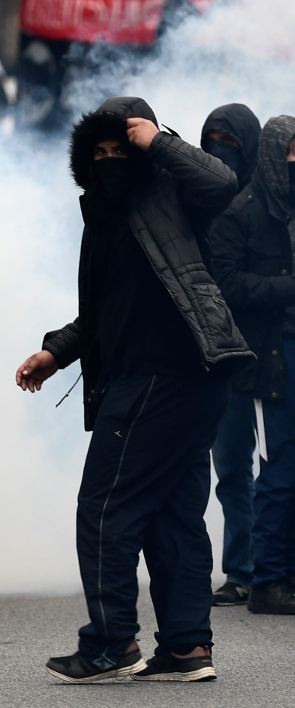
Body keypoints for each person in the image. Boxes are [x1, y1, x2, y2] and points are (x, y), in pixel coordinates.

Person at [16, 97, 249, 683]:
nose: (109, 160)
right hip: (176, 382)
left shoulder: (173, 194)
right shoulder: (103, 217)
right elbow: (102, 313)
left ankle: (110, 644)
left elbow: (224, 181)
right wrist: (57, 351)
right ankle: (186, 649)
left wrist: (158, 140)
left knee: (104, 509)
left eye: (121, 148)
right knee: (174, 517)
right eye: (98, 152)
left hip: (164, 376)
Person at [211, 115, 295, 615]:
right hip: (262, 357)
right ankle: (261, 578)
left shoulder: (286, 208)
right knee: (268, 468)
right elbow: (226, 284)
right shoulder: (239, 211)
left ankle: (279, 572)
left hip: (282, 352)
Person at [200, 103, 263, 607]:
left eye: (231, 143)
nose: (220, 151)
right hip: (222, 354)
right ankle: (242, 569)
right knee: (232, 469)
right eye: (212, 142)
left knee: (275, 467)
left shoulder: (268, 203)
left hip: (268, 350)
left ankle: (270, 564)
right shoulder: (198, 197)